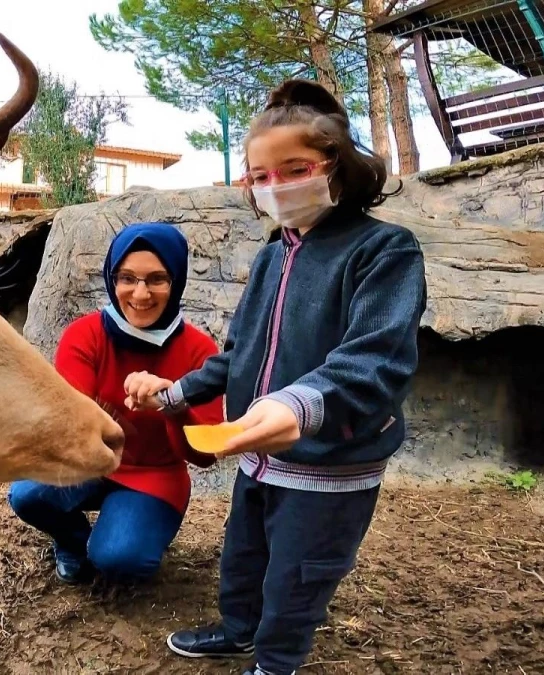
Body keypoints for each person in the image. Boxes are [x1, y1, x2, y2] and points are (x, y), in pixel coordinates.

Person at [124, 79, 427, 675]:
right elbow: (239, 353)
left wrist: (301, 404)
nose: (275, 188)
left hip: (329, 461)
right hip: (259, 453)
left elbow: (377, 357)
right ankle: (240, 631)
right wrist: (177, 393)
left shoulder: (384, 250)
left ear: (335, 166)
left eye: (293, 170)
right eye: (260, 176)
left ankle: (276, 661)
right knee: (244, 556)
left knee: (298, 574)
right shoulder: (272, 254)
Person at [7, 223, 225, 585]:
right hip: (93, 462)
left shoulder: (200, 351)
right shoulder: (85, 334)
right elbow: (71, 424)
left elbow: (203, 455)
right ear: (112, 278)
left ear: (177, 281)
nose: (141, 293)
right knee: (28, 493)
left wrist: (173, 403)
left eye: (157, 279)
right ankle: (73, 540)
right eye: (127, 278)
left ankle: (128, 530)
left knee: (120, 560)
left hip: (155, 476)